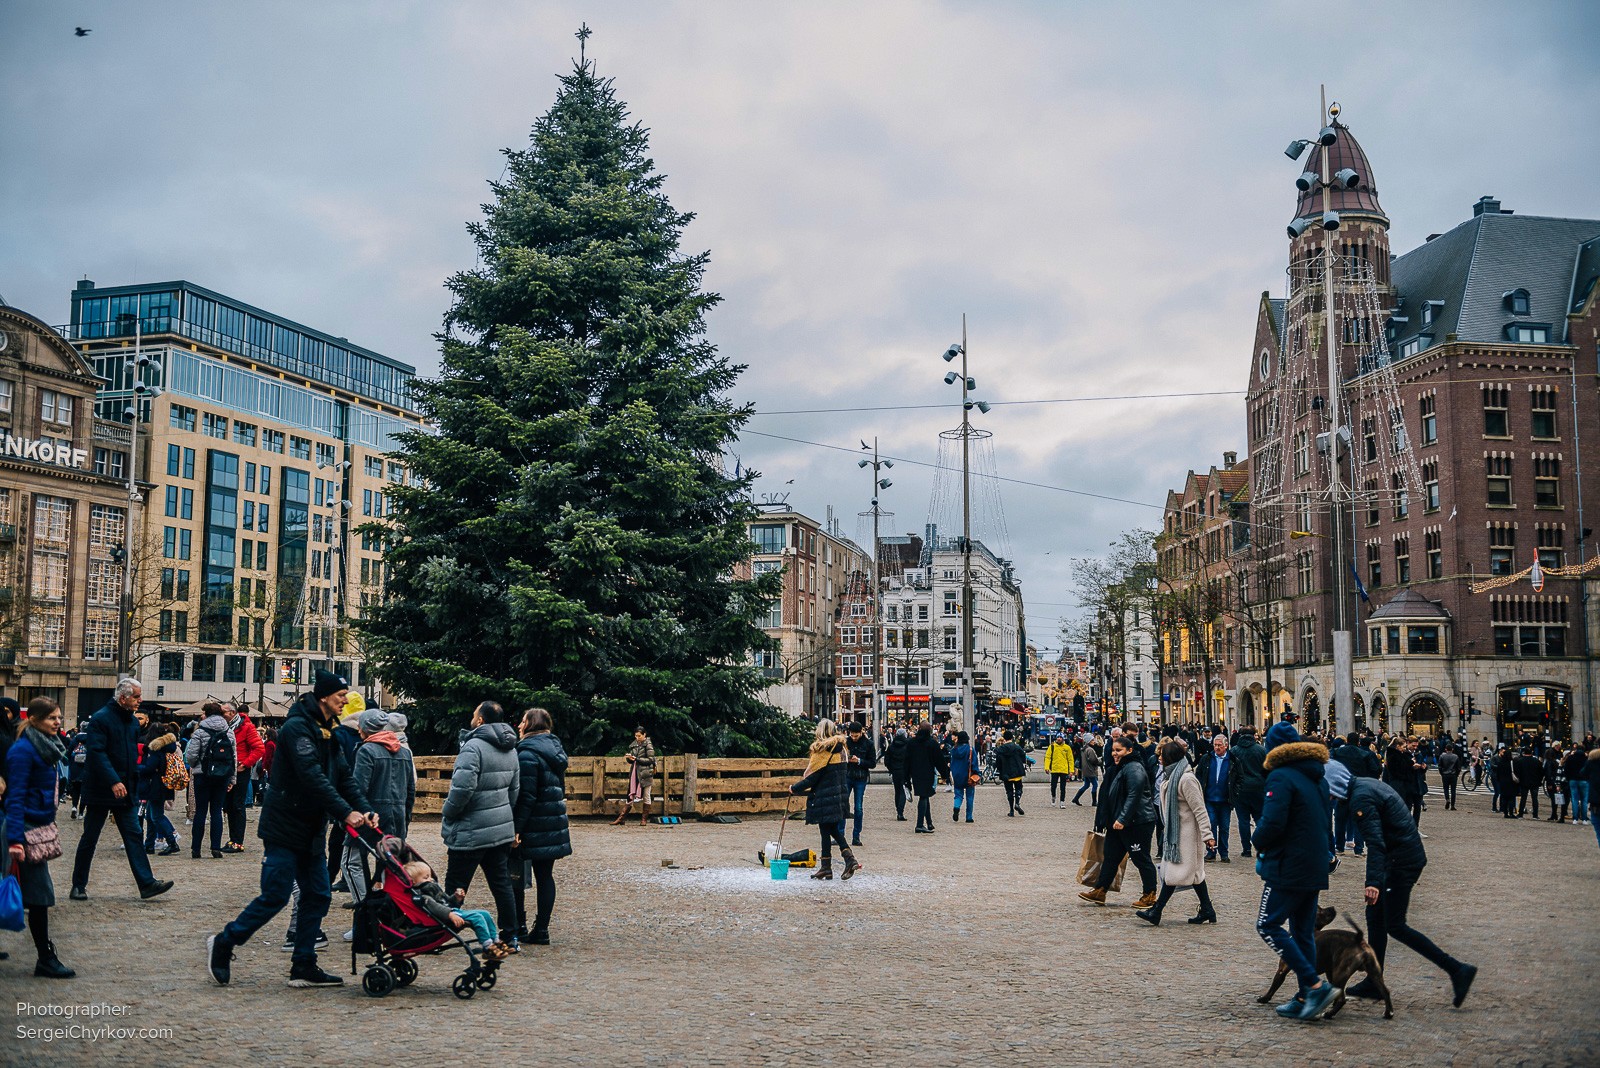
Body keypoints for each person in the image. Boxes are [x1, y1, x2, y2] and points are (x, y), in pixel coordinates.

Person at [206, 670, 374, 989]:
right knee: (275, 895)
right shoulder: (298, 728)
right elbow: (311, 776)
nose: (345, 700)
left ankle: (303, 964)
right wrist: (345, 812)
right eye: (340, 695)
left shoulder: (329, 729)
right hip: (284, 827)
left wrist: (365, 809)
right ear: (324, 696)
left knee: (318, 894)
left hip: (311, 828)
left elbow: (343, 776)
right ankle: (225, 942)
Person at [1333, 764, 1478, 1008]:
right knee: (1375, 917)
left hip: (1401, 862)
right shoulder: (1365, 785)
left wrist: (1373, 883)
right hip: (1400, 857)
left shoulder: (1360, 799)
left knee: (1395, 925)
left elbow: (1376, 843)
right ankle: (1374, 981)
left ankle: (1457, 969)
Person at [1251, 721, 1338, 1022]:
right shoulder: (1318, 778)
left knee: (1268, 925)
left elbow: (1273, 822)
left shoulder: (1280, 776)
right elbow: (1325, 822)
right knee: (1303, 932)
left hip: (1288, 865)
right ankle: (1304, 996)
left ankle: (1314, 986)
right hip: (1313, 864)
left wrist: (1258, 840)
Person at [68, 678, 173, 902]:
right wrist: (114, 781)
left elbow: (130, 756)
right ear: (123, 698)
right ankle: (78, 885)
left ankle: (146, 883)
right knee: (90, 837)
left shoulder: (132, 722)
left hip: (126, 790)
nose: (140, 700)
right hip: (101, 788)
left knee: (134, 835)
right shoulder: (101, 719)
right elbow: (97, 753)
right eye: (136, 696)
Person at [440, 700, 520, 950]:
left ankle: (442, 932)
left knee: (456, 884)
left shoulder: (472, 747)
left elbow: (462, 789)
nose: (472, 718)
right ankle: (511, 935)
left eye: (474, 714)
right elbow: (514, 790)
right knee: (501, 884)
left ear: (481, 720)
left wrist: (448, 812)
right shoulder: (511, 748)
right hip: (500, 829)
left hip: (470, 829)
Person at [5, 697, 76, 977]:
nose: (57, 722)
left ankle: (45, 958)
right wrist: (15, 840)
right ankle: (45, 959)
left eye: (59, 717)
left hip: (35, 825)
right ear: (34, 720)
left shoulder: (46, 745)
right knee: (39, 896)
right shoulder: (24, 751)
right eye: (51, 718)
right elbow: (15, 797)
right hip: (24, 830)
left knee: (37, 896)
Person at [341, 709, 415, 919]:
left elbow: (359, 788)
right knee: (389, 866)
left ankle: (366, 916)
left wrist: (349, 815)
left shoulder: (366, 750)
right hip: (396, 815)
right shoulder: (404, 752)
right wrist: (406, 817)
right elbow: (410, 790)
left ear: (364, 728)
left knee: (351, 862)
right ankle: (388, 916)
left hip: (370, 816)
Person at [1137, 740, 1216, 926]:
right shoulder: (1171, 776)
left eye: (1162, 755)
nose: (1159, 758)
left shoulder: (1186, 779)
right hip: (1175, 835)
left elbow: (1199, 809)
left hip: (1187, 837)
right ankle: (1207, 909)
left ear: (1170, 757)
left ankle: (1156, 911)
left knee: (1173, 874)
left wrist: (1208, 835)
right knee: (1195, 874)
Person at [511, 708, 572, 946]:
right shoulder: (555, 751)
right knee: (545, 876)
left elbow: (526, 795)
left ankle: (519, 926)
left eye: (522, 721)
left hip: (532, 822)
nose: (519, 725)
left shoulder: (527, 753)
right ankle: (542, 929)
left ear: (531, 724)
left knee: (515, 874)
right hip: (552, 821)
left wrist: (517, 828)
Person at [1078, 736, 1158, 909]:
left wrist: (1123, 818)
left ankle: (1150, 894)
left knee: (1141, 858)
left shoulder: (1134, 767)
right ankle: (1100, 890)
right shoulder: (1120, 767)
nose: (1115, 753)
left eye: (1119, 750)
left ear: (1129, 750)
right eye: (1113, 750)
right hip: (1117, 822)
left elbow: (1134, 795)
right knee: (1111, 857)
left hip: (1137, 822)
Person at [789, 719, 858, 880]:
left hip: (825, 795)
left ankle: (847, 860)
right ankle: (828, 866)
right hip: (839, 794)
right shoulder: (842, 749)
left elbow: (813, 777)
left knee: (828, 829)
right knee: (828, 829)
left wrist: (795, 788)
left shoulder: (823, 750)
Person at [403, 859, 510, 960]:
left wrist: (456, 898)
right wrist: (450, 914)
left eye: (430, 876)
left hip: (453, 911)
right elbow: (437, 908)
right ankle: (487, 945)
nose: (430, 879)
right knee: (477, 917)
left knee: (485, 913)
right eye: (426, 877)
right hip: (446, 916)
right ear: (414, 882)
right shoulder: (424, 896)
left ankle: (495, 940)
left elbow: (446, 901)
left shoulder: (432, 889)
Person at [185, 702, 236, 859]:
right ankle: (215, 848)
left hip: (203, 775)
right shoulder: (229, 731)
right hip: (222, 776)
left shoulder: (200, 731)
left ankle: (196, 849)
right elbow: (233, 757)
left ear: (206, 714)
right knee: (217, 811)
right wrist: (232, 779)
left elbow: (191, 755)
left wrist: (196, 765)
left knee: (200, 811)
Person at [222, 703, 266, 854]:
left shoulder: (247, 727)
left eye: (224, 712)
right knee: (229, 805)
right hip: (229, 770)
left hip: (240, 770)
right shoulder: (227, 726)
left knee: (238, 805)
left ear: (232, 712)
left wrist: (246, 764)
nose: (221, 714)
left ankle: (238, 841)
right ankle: (232, 839)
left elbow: (259, 748)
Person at [136, 720, 181, 855]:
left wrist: (136, 768)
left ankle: (172, 842)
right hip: (161, 784)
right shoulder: (167, 747)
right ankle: (149, 844)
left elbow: (150, 768)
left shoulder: (155, 749)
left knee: (156, 816)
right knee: (151, 816)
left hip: (154, 785)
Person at [1230, 727, 1267, 859]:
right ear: (1254, 735)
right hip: (1258, 788)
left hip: (1241, 790)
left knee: (1243, 821)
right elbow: (1266, 770)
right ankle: (1261, 846)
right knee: (1260, 818)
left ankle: (1246, 849)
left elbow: (1231, 770)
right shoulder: (1261, 750)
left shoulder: (1234, 751)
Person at [1195, 733, 1233, 863]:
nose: (1217, 747)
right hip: (1209, 798)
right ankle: (1211, 851)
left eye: (1219, 745)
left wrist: (1235, 793)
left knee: (1224, 827)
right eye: (1215, 745)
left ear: (1226, 746)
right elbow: (1199, 774)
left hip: (1225, 800)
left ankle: (1224, 852)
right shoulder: (1207, 758)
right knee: (1211, 825)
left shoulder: (1232, 760)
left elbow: (1239, 778)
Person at [906, 723, 949, 833]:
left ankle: (929, 823)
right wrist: (945, 775)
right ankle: (919, 824)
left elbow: (906, 760)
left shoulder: (911, 742)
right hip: (927, 772)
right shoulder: (932, 743)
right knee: (924, 796)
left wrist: (906, 776)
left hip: (915, 773)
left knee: (925, 795)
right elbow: (939, 760)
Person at [611, 726, 656, 826]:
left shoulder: (648, 745)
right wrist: (629, 758)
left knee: (646, 796)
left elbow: (651, 760)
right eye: (636, 736)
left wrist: (637, 759)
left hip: (646, 774)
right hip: (635, 773)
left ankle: (644, 819)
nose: (637, 738)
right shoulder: (634, 745)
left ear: (644, 735)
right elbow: (632, 760)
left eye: (639, 736)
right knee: (630, 795)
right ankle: (621, 818)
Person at [844, 722, 876, 846]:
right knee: (843, 806)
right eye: (852, 735)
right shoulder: (845, 742)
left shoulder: (868, 744)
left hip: (860, 778)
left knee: (858, 808)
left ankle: (856, 836)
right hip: (847, 776)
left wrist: (859, 761)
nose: (853, 738)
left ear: (861, 732)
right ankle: (839, 835)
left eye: (856, 736)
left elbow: (872, 763)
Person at [993, 730, 1030, 816]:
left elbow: (998, 762)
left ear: (1004, 738)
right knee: (1019, 788)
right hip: (1017, 771)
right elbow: (1023, 757)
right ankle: (1017, 802)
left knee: (1009, 791)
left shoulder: (1000, 749)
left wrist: (999, 770)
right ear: (1012, 738)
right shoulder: (1017, 747)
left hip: (1006, 773)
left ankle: (1011, 810)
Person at [949, 731, 978, 823]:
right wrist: (977, 773)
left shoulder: (954, 750)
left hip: (957, 775)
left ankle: (956, 807)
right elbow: (974, 763)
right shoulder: (970, 749)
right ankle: (969, 817)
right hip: (969, 775)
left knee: (958, 795)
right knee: (970, 796)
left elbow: (952, 763)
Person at [883, 728, 911, 821]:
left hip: (895, 771)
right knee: (903, 791)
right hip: (904, 771)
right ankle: (900, 812)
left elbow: (887, 760)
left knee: (897, 791)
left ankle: (898, 811)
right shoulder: (907, 746)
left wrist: (891, 768)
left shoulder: (892, 746)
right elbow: (910, 759)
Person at [1045, 733, 1076, 807]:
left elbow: (1070, 760)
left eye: (1060, 737)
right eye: (1058, 737)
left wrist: (1071, 770)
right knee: (1053, 786)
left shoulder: (1067, 748)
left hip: (1064, 770)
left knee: (1063, 787)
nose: (1059, 739)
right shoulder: (1052, 747)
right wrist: (1046, 767)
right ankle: (1053, 797)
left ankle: (1062, 801)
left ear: (1063, 739)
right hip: (1054, 769)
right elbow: (1048, 757)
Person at [1073, 739, 1101, 806]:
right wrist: (1099, 761)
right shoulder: (1090, 750)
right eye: (1092, 740)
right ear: (1088, 741)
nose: (1094, 741)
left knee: (1086, 785)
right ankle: (1094, 801)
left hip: (1085, 770)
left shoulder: (1083, 749)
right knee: (1095, 785)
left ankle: (1076, 798)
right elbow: (1093, 760)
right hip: (1091, 770)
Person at [1436, 744, 1461, 811]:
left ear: (1445, 749)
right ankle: (1452, 805)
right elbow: (1458, 767)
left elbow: (1440, 766)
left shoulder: (1442, 756)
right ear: (1452, 749)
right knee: (1453, 790)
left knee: (1446, 788)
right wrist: (1457, 774)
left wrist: (1442, 773)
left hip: (1445, 774)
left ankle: (1447, 799)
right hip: (1453, 774)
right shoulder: (1455, 756)